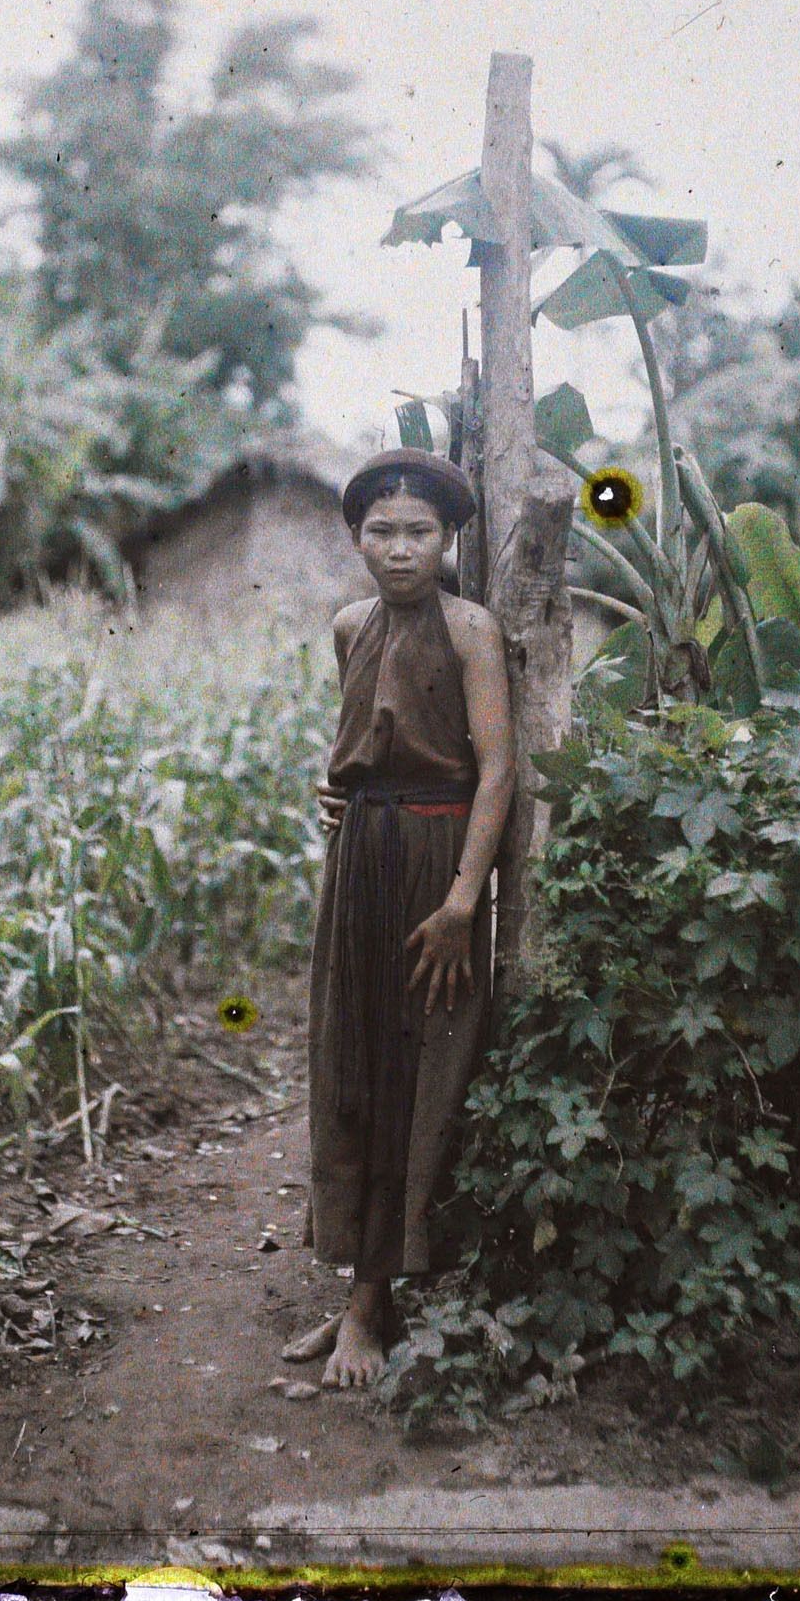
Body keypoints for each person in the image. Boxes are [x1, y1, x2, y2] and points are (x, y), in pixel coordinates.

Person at [284, 447, 515, 1389]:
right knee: (352, 1058)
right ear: (356, 538)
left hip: (436, 868)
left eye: (418, 531)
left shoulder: (470, 630)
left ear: (449, 538)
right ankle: (360, 1291)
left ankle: (375, 1303)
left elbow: (497, 768)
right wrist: (338, 797)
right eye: (380, 532)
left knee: (423, 1066)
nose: (399, 549)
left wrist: (462, 903)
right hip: (361, 867)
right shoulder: (349, 625)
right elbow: (358, 746)